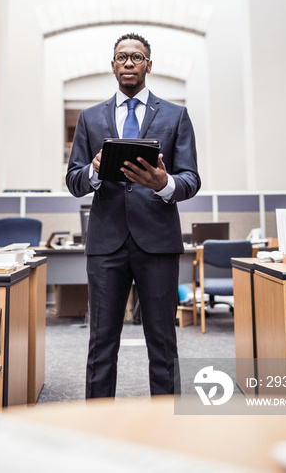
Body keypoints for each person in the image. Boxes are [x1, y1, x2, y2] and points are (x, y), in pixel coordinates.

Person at [66, 33, 201, 398]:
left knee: (162, 341)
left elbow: (191, 179)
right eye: (122, 57)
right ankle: (99, 424)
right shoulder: (90, 118)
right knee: (102, 341)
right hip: (106, 244)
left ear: (148, 66)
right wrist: (94, 170)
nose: (129, 63)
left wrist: (163, 183)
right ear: (112, 65)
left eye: (137, 57)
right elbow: (73, 181)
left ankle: (166, 421)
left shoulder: (175, 116)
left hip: (157, 243)